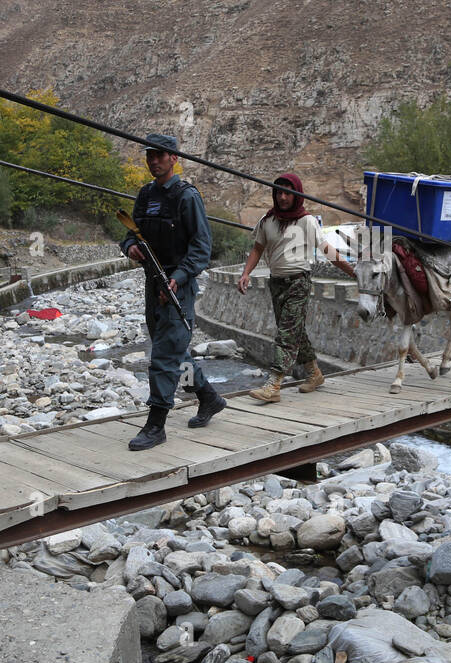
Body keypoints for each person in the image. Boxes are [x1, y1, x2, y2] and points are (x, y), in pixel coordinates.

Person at [121, 133, 225, 450]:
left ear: (173, 159)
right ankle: (208, 396)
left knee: (165, 354)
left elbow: (202, 248)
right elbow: (129, 234)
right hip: (154, 282)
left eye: (160, 156)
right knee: (173, 348)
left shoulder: (187, 197)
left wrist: (178, 277)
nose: (154, 161)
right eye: (150, 155)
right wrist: (130, 248)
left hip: (179, 285)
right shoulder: (145, 195)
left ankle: (156, 424)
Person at [238, 174, 357, 402]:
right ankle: (314, 374)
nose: (283, 197)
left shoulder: (306, 221)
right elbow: (257, 249)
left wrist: (353, 272)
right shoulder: (267, 220)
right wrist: (245, 273)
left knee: (286, 334)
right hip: (276, 283)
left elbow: (327, 250)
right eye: (279, 192)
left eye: (288, 192)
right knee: (296, 333)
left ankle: (273, 384)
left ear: (296, 194)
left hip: (298, 283)